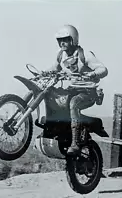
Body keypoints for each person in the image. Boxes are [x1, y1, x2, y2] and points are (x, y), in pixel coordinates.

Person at [45, 24, 108, 155]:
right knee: (54, 98)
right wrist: (43, 73)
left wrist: (92, 74)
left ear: (73, 39)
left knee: (74, 103)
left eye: (66, 39)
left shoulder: (84, 54)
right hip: (72, 89)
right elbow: (53, 69)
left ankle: (75, 143)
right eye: (60, 40)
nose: (62, 43)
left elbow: (103, 69)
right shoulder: (61, 56)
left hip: (88, 91)